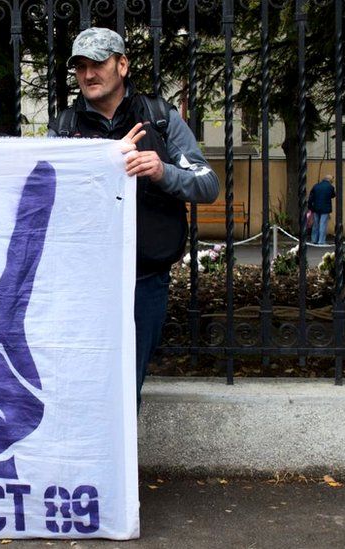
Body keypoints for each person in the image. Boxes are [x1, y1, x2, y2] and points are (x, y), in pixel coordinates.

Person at [48, 27, 219, 410]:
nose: (88, 74)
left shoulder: (160, 118)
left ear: (122, 65)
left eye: (98, 64)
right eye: (80, 67)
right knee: (82, 385)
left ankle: (120, 470)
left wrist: (163, 172)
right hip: (85, 286)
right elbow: (45, 196)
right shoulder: (63, 128)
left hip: (145, 282)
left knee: (128, 389)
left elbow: (208, 184)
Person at [308, 175, 335, 245]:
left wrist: (310, 207)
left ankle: (314, 239)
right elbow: (333, 195)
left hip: (316, 207)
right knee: (323, 224)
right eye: (332, 180)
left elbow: (311, 197)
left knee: (316, 224)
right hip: (325, 208)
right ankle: (321, 241)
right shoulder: (330, 187)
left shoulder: (316, 186)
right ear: (330, 180)